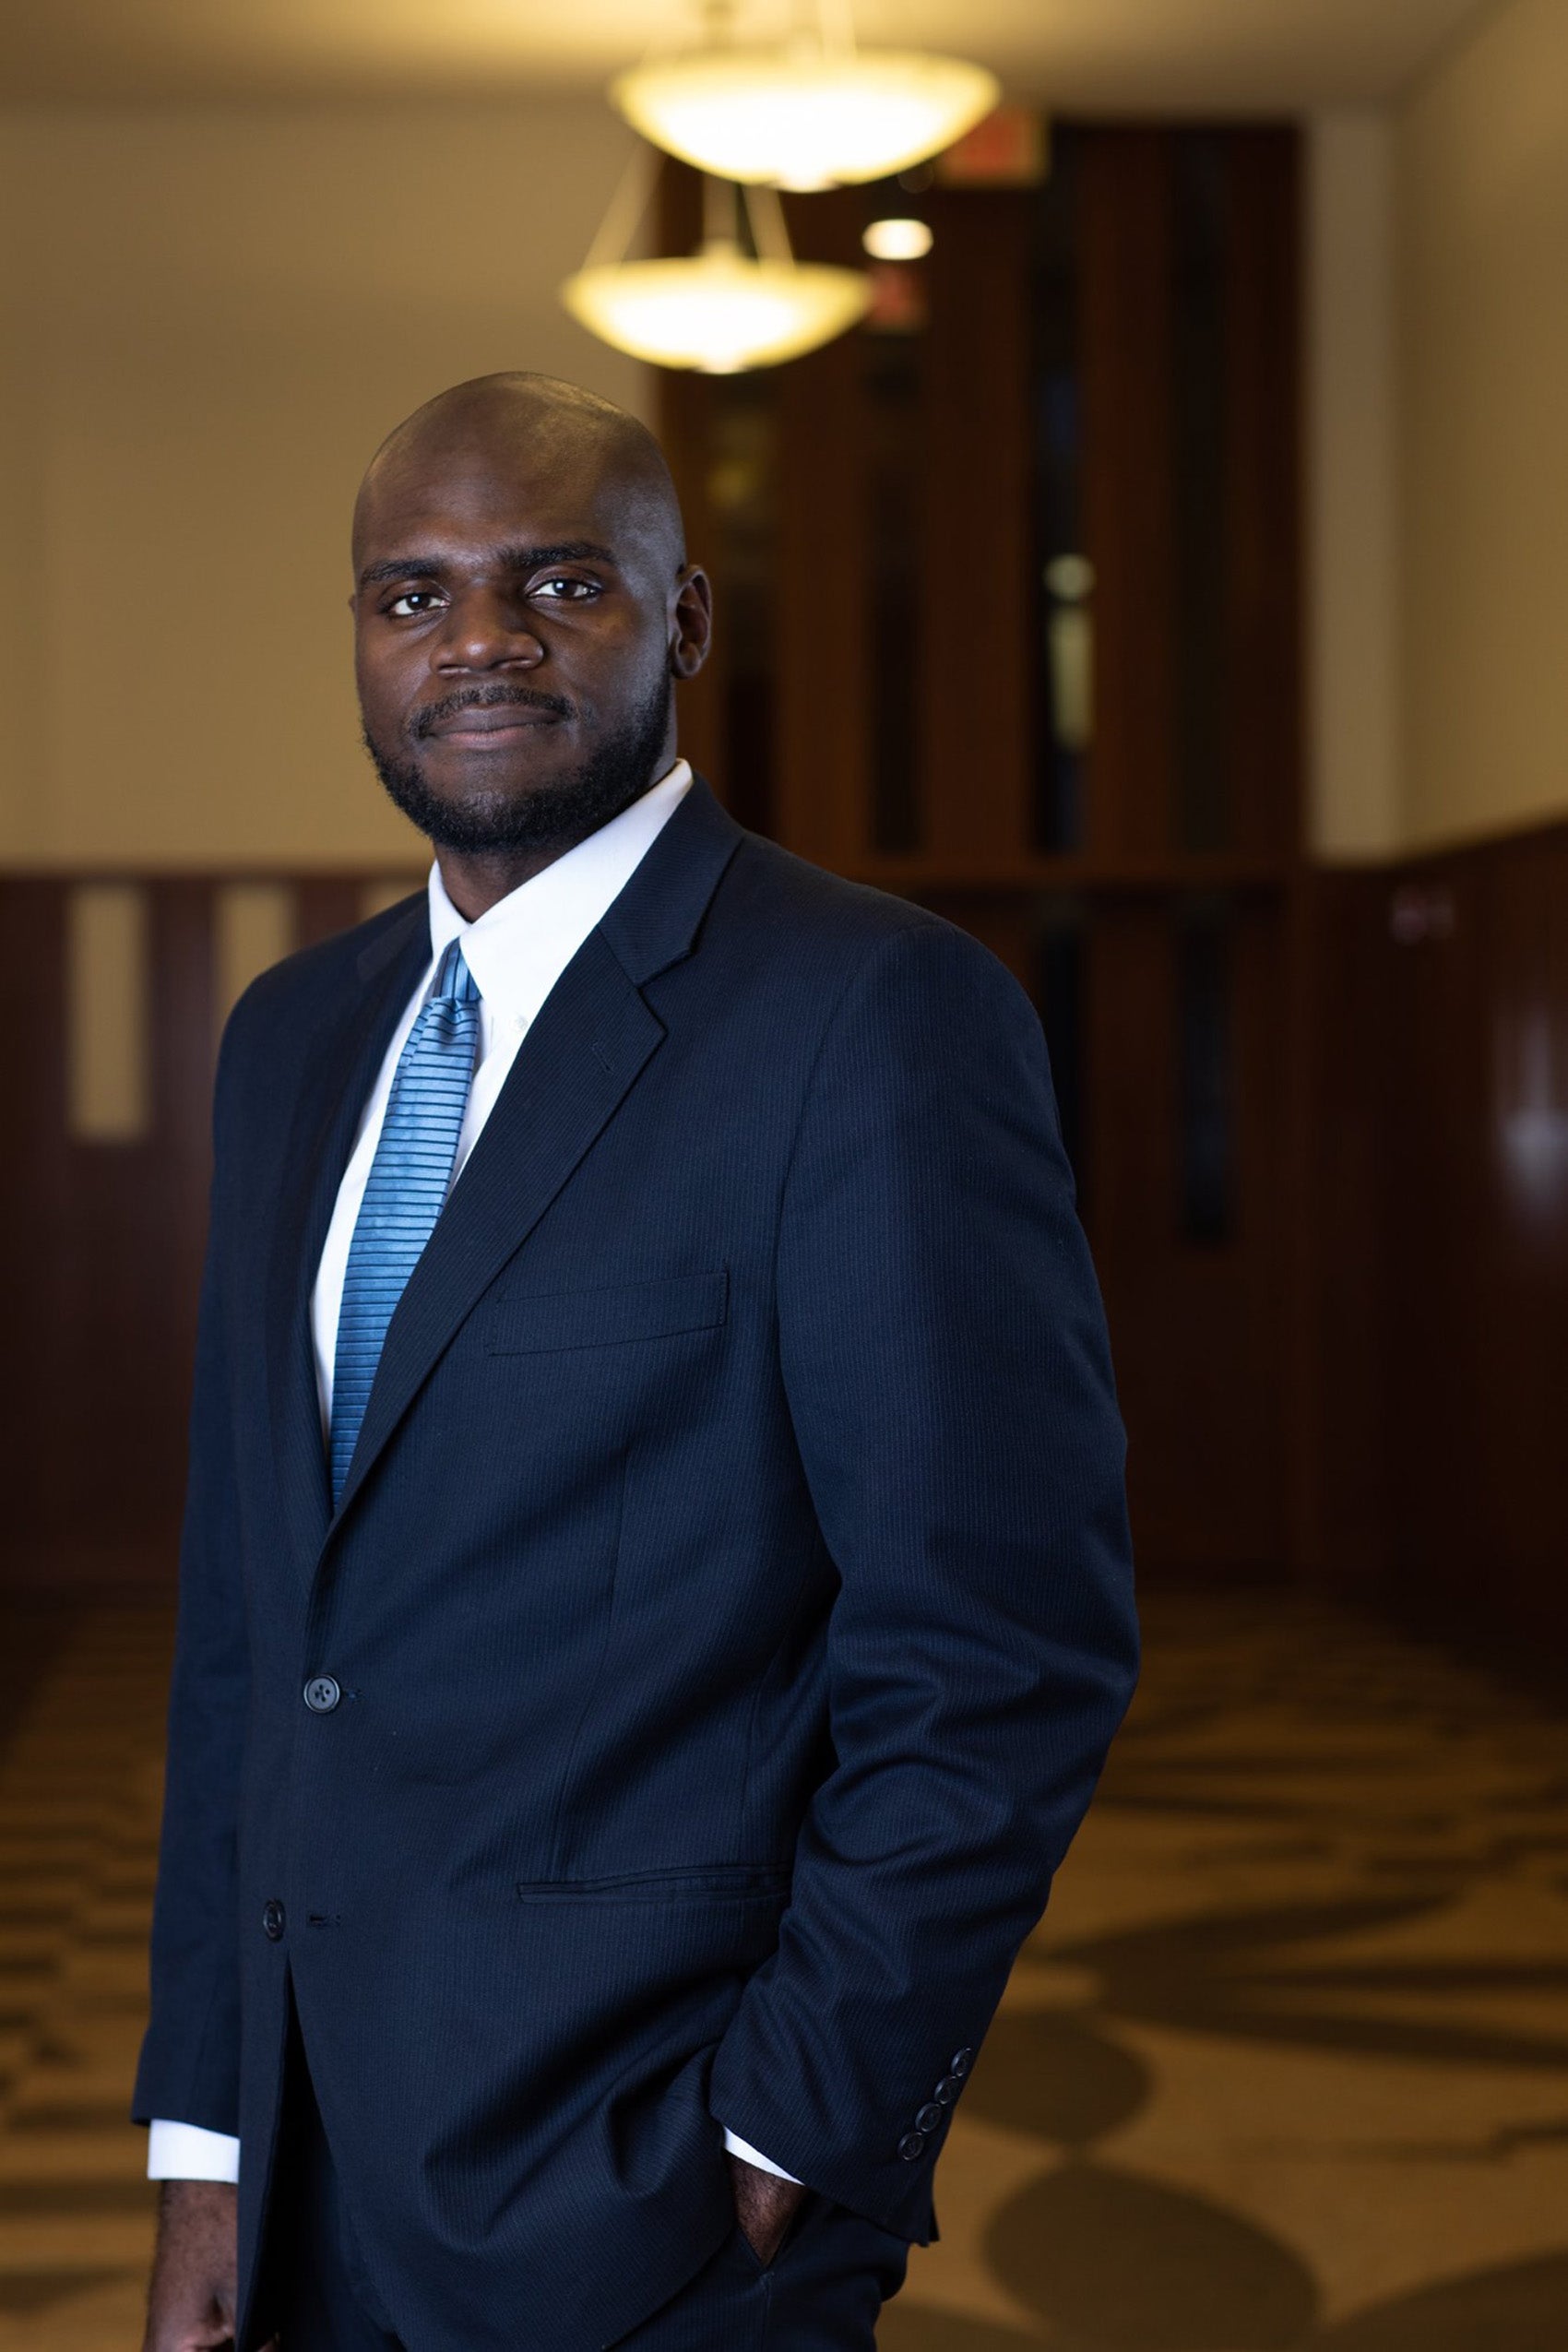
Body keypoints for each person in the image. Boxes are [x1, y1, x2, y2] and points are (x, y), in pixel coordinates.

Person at [135, 371, 1138, 2352]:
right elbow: (253, 1634)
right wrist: (207, 2137)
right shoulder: (294, 1039)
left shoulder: (874, 1018)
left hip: (654, 2193)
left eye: (558, 582)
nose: (478, 641)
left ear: (682, 621)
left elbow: (999, 1647)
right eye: (410, 596)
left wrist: (789, 2136)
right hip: (304, 2153)